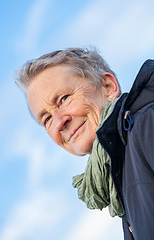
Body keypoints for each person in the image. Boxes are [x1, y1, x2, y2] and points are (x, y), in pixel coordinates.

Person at [16, 48, 154, 240]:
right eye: (46, 119)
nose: (58, 122)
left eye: (64, 99)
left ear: (108, 87)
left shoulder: (147, 125)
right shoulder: (120, 174)